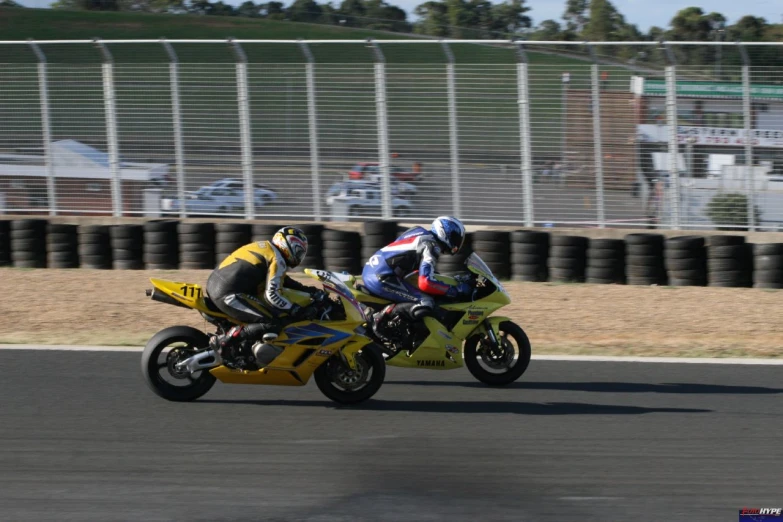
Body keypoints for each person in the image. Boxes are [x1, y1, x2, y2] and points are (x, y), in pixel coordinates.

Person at [205, 226, 326, 367]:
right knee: (271, 322)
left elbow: (283, 281)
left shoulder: (267, 248)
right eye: (298, 251)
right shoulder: (277, 258)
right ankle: (224, 342)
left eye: (301, 253)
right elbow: (272, 295)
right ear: (286, 244)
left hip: (218, 284)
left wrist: (309, 290)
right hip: (228, 293)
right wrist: (294, 309)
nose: (298, 256)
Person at [361, 216, 471, 350]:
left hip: (375, 271)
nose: (457, 242)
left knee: (419, 295)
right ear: (444, 231)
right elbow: (425, 282)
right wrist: (454, 290)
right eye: (455, 236)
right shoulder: (431, 245)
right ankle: (380, 319)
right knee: (425, 302)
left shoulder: (419, 232)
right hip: (382, 276)